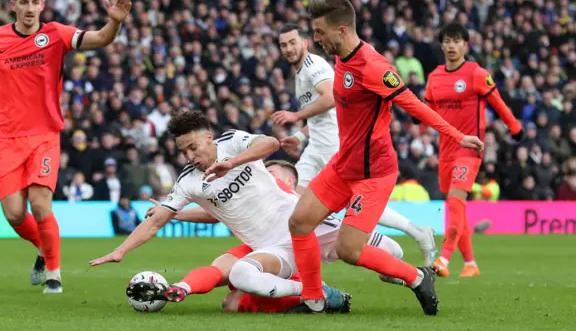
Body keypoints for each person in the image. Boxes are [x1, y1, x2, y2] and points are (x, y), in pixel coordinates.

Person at [89, 111, 402, 313]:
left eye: (193, 146)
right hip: (271, 247)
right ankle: (317, 292)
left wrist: (232, 163)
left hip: (304, 223)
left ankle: (414, 278)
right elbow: (157, 221)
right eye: (183, 150)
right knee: (240, 278)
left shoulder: (233, 142)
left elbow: (270, 144)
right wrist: (121, 250)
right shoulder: (188, 182)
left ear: (208, 137)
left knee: (394, 253)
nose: (189, 155)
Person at [286, 0, 484, 315]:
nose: (316, 39)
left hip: (373, 173)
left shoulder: (373, 66)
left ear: (341, 29)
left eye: (320, 32)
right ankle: (313, 301)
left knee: (348, 250)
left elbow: (414, 104)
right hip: (342, 166)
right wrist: (301, 132)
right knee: (299, 222)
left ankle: (417, 277)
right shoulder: (342, 59)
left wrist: (459, 136)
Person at [0, 0, 132, 294]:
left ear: (42, 4)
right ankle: (41, 246)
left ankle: (54, 274)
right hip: (9, 138)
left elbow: (102, 38)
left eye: (35, 2)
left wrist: (114, 21)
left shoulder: (56, 34)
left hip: (45, 135)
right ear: (13, 5)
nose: (30, 8)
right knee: (13, 214)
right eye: (24, 2)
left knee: (39, 204)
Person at [273, 23, 437, 265]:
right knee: (296, 205)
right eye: (283, 45)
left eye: (292, 42)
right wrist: (299, 136)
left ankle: (406, 235)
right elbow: (322, 116)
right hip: (316, 147)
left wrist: (296, 116)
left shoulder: (314, 66)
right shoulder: (300, 74)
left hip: (335, 145)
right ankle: (306, 259)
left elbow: (330, 98)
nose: (288, 48)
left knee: (352, 202)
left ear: (305, 42)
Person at [424, 23, 522, 278]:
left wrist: (514, 127)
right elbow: (427, 105)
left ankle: (443, 258)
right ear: (442, 45)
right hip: (445, 149)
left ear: (466, 45)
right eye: (447, 41)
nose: (451, 46)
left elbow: (498, 103)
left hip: (469, 149)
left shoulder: (476, 74)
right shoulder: (434, 76)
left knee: (456, 201)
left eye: (456, 41)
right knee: (456, 207)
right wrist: (417, 117)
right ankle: (470, 263)